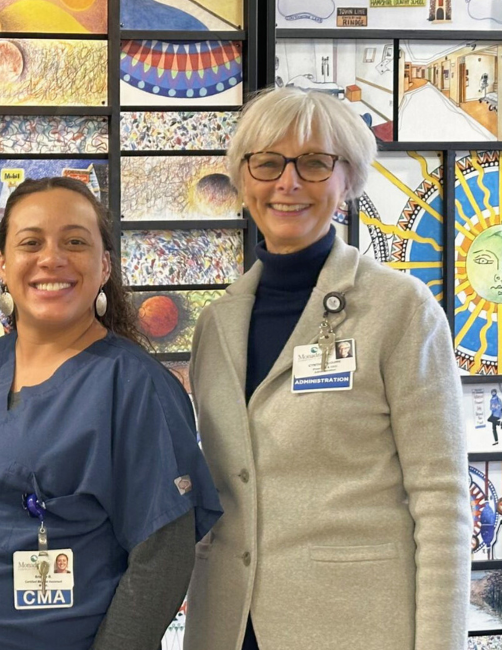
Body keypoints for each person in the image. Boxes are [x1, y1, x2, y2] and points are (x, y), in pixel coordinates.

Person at [183, 87, 470, 650]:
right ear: (243, 182)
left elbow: (441, 501)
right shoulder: (216, 324)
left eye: (315, 163)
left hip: (353, 626)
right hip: (227, 624)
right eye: (267, 163)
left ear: (348, 181)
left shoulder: (401, 309)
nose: (288, 183)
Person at [0, 177, 222, 650]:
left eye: (75, 242)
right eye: (31, 242)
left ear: (104, 264)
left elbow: (162, 558)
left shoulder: (134, 385)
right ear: (2, 265)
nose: (52, 258)